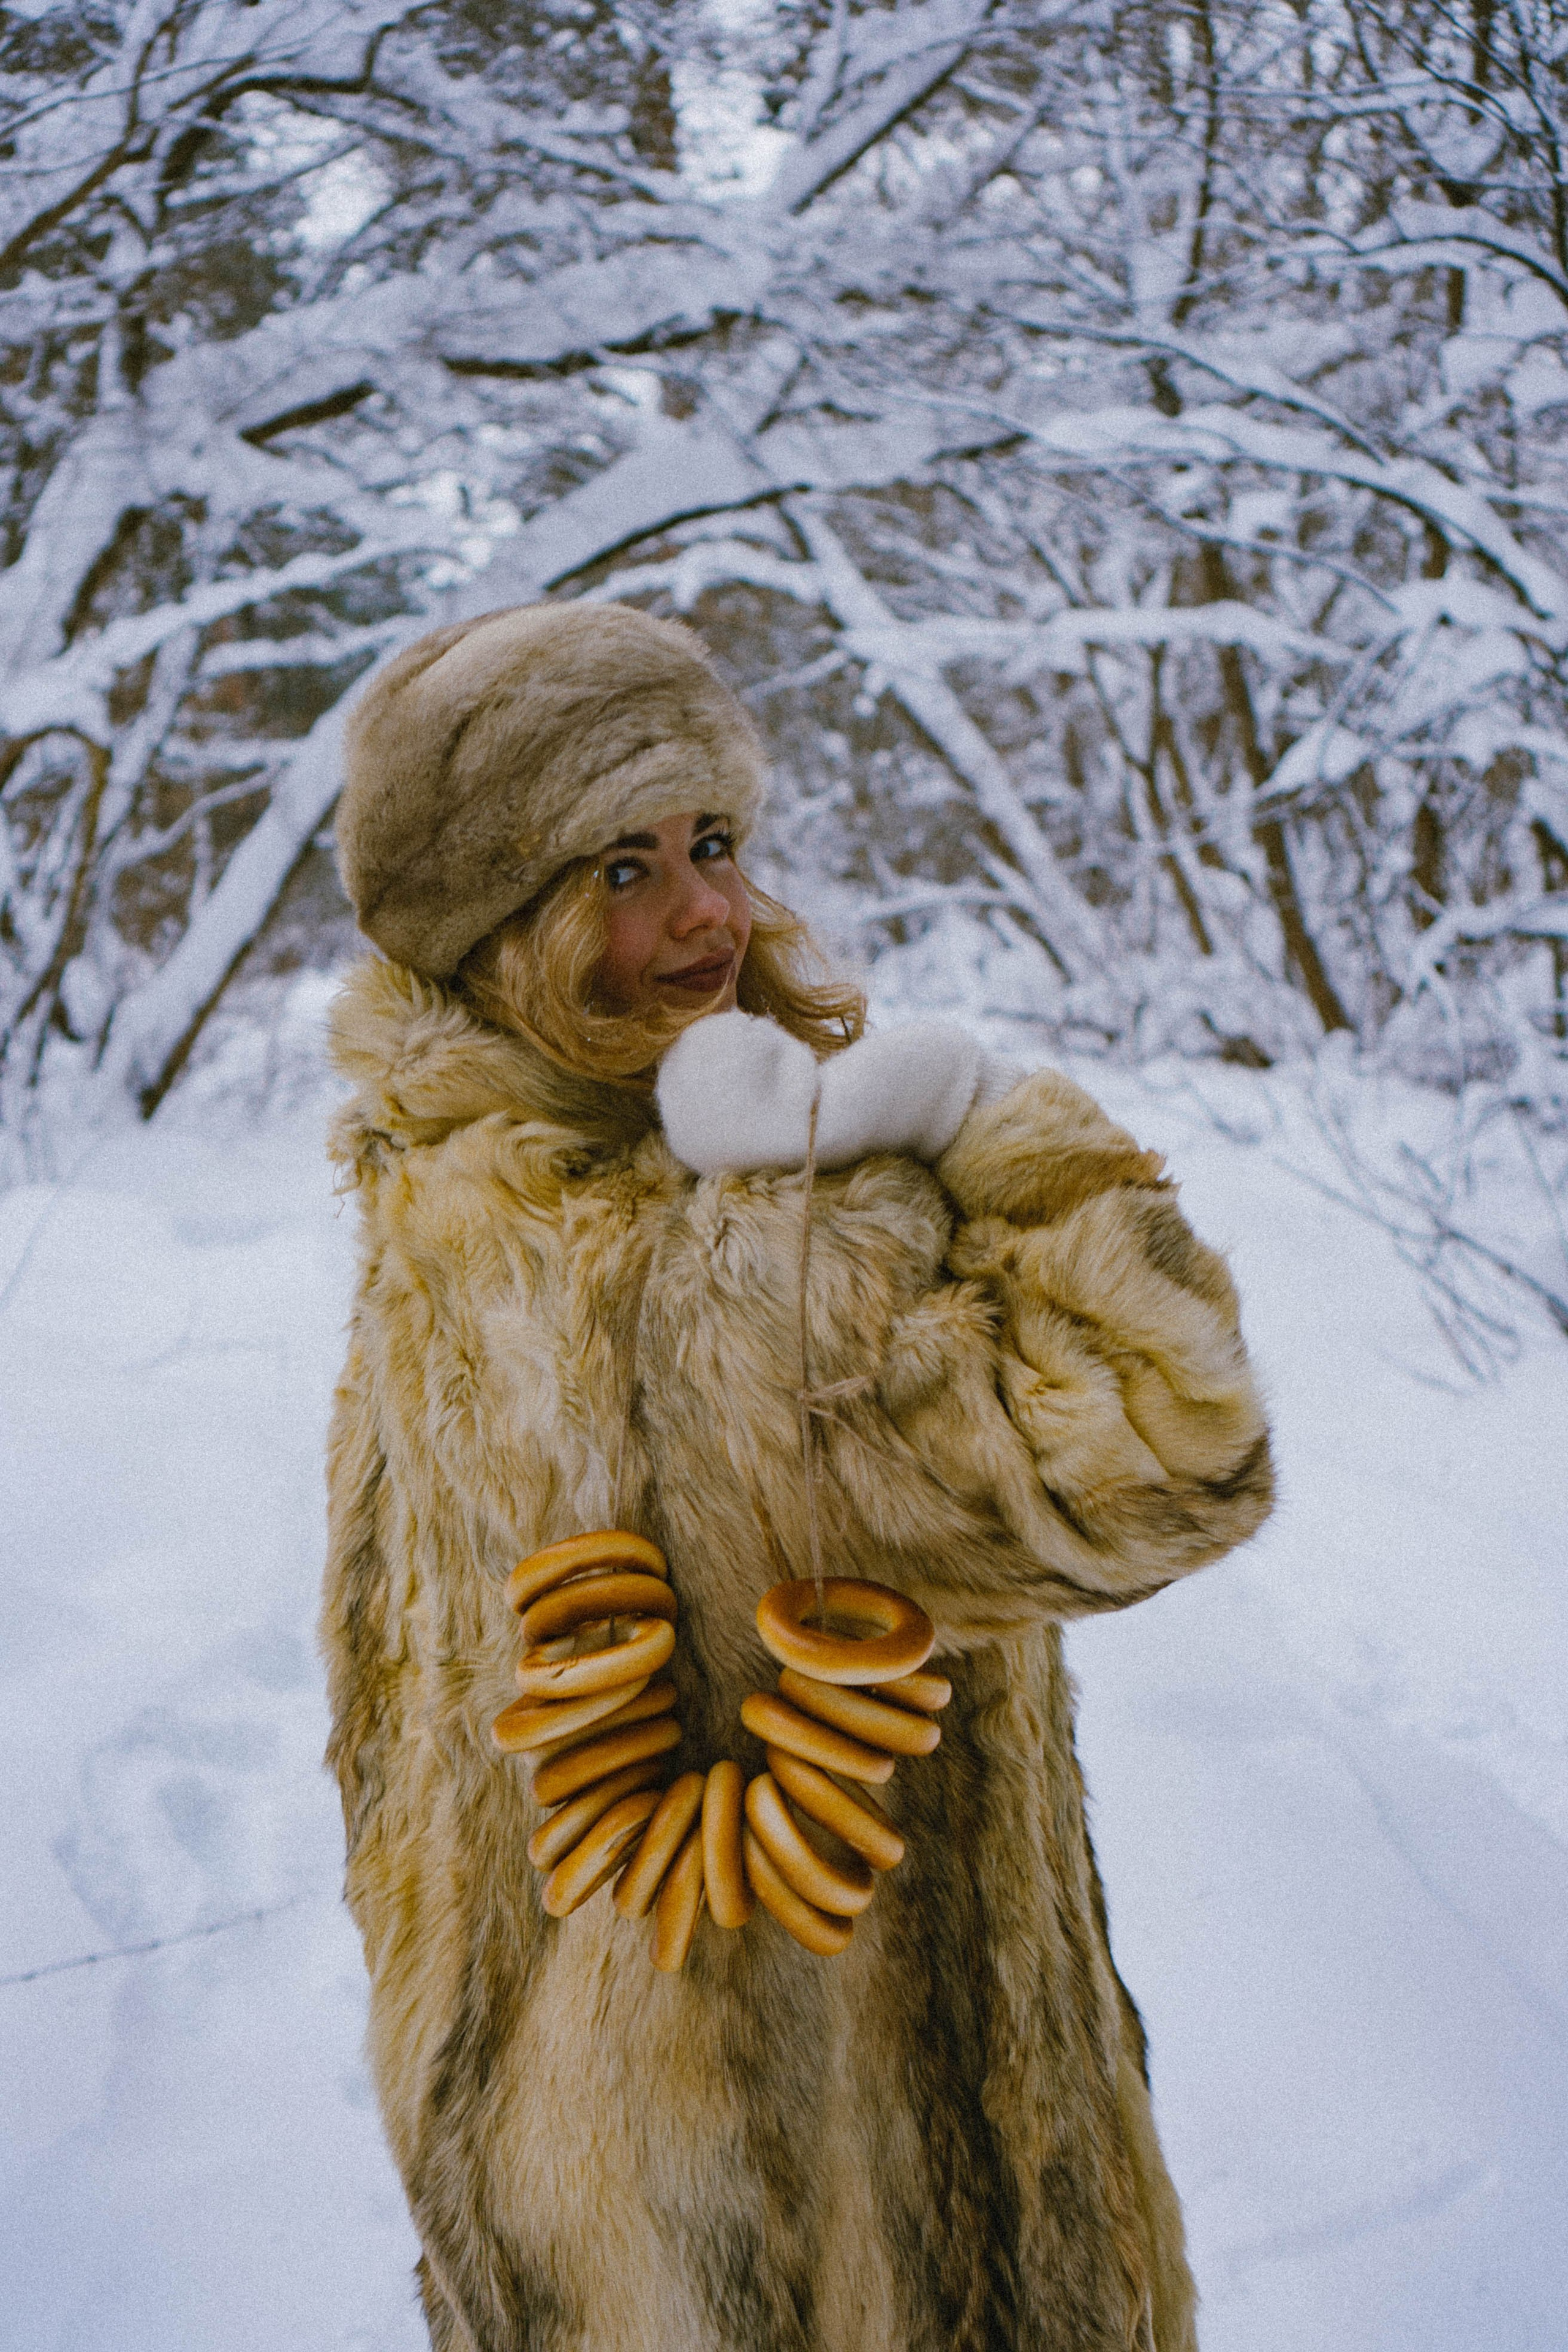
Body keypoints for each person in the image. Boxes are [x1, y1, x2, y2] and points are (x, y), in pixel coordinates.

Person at [323, 600, 1273, 2352]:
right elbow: (1175, 1440)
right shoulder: (724, 1261)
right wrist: (986, 1122)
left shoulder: (439, 1196)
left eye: (715, 843)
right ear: (497, 919)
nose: (708, 914)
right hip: (827, 2200)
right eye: (619, 870)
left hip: (571, 2161)